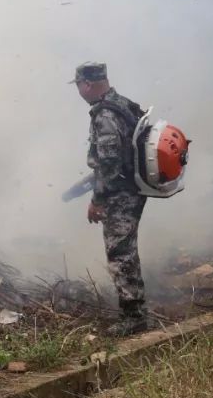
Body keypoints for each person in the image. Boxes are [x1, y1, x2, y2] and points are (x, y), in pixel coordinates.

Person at [72, 62, 150, 336]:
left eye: (79, 85)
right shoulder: (124, 103)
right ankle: (135, 309)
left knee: (120, 253)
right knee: (125, 249)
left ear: (87, 84)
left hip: (120, 193)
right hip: (134, 188)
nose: (79, 91)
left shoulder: (104, 114)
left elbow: (109, 162)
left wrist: (98, 199)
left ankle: (134, 315)